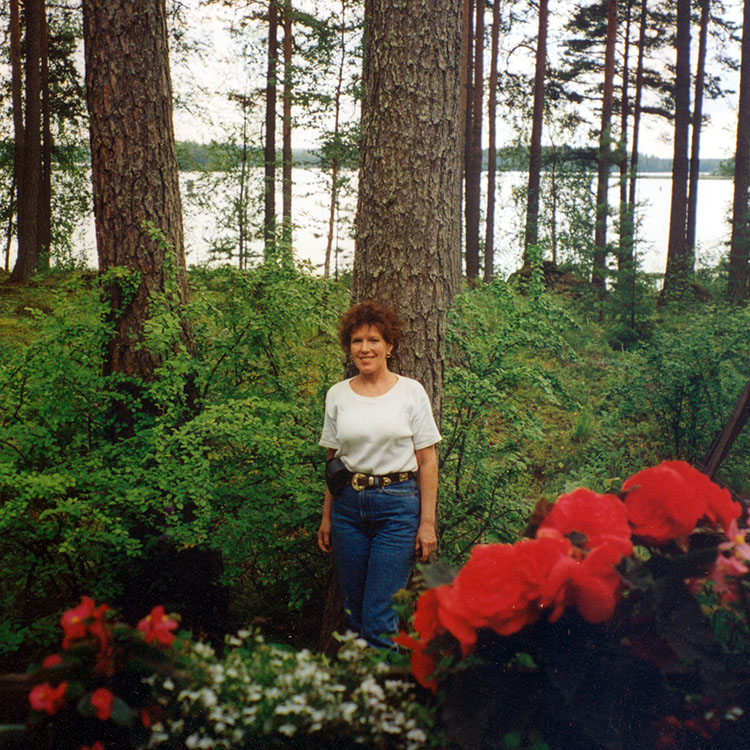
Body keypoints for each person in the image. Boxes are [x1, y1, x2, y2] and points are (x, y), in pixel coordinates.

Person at [318, 301, 440, 649]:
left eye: (374, 340)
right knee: (355, 615)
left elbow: (428, 461)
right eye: (357, 341)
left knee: (378, 618)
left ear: (390, 346)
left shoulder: (411, 392)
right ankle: (363, 682)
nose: (365, 348)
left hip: (397, 510)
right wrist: (327, 517)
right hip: (347, 510)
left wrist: (426, 524)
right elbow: (333, 460)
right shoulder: (337, 395)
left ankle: (385, 684)